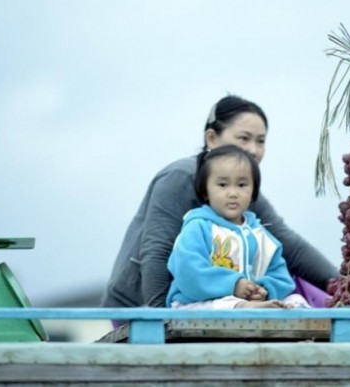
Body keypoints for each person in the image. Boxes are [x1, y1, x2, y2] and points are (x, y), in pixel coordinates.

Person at [101, 95, 337, 310]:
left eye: (261, 141)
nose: (253, 150)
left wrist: (343, 285)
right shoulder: (180, 177)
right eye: (244, 138)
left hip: (216, 300)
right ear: (212, 138)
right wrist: (159, 322)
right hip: (142, 304)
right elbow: (157, 252)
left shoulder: (242, 194)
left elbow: (290, 247)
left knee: (298, 291)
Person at [167, 144, 308, 309]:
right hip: (194, 304)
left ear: (253, 191)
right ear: (205, 191)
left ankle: (262, 309)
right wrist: (234, 285)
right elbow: (189, 272)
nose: (233, 193)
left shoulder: (260, 234)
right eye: (222, 185)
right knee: (228, 305)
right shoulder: (198, 227)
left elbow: (280, 275)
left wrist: (264, 290)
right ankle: (248, 308)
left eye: (242, 185)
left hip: (251, 303)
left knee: (296, 300)